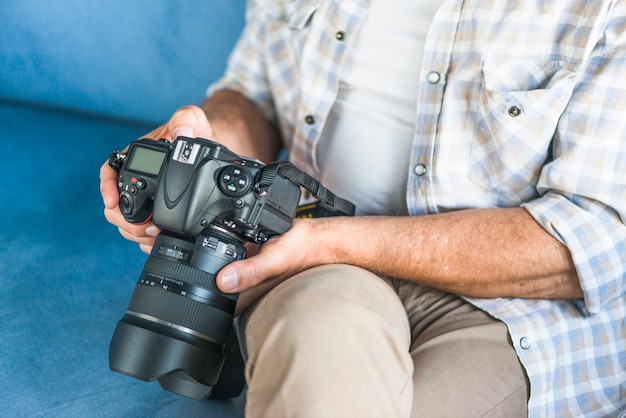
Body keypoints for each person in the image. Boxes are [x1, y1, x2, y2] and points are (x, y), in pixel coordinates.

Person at [100, 1, 626, 416]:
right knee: (318, 349)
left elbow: (587, 243)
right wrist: (200, 145)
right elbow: (251, 99)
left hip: (513, 313)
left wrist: (325, 241)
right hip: (322, 270)